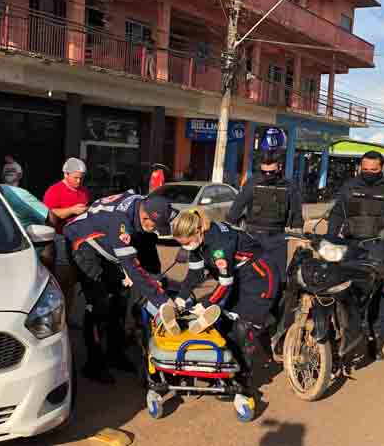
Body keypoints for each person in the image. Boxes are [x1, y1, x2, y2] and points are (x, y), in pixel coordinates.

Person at [64, 192, 220, 384]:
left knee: (120, 299)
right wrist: (162, 300)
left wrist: (157, 279)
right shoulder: (120, 224)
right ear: (145, 218)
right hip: (81, 243)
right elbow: (133, 268)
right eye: (155, 226)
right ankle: (93, 364)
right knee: (99, 304)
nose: (156, 230)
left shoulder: (149, 204)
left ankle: (115, 354)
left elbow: (151, 246)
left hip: (104, 242)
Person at [172, 208, 282, 405]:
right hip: (239, 278)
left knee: (243, 328)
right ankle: (226, 372)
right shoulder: (198, 243)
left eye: (187, 243)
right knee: (223, 324)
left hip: (260, 278)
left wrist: (205, 304)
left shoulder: (219, 245)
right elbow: (195, 275)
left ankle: (243, 385)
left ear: (198, 231)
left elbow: (224, 283)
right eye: (182, 244)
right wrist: (180, 299)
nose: (186, 247)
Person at [326, 150, 384, 360]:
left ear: (382, 168)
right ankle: (342, 337)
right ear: (360, 167)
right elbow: (337, 213)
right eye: (365, 169)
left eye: (373, 170)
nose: (368, 173)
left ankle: (374, 340)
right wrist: (329, 240)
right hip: (350, 246)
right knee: (343, 293)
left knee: (377, 298)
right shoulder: (350, 186)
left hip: (379, 248)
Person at [226, 147, 303, 278]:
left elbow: (296, 211)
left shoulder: (289, 186)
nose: (267, 175)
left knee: (278, 276)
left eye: (271, 172)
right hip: (253, 236)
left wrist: (300, 236)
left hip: (278, 236)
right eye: (264, 172)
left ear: (279, 167)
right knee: (248, 274)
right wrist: (228, 227)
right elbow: (237, 206)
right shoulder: (253, 183)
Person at [43, 158, 91, 330]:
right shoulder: (54, 191)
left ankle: (68, 317)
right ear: (66, 174)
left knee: (72, 282)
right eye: (76, 177)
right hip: (60, 238)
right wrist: (71, 210)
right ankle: (58, 320)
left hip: (79, 240)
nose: (79, 181)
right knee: (63, 280)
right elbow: (49, 215)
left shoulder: (84, 191)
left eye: (81, 178)